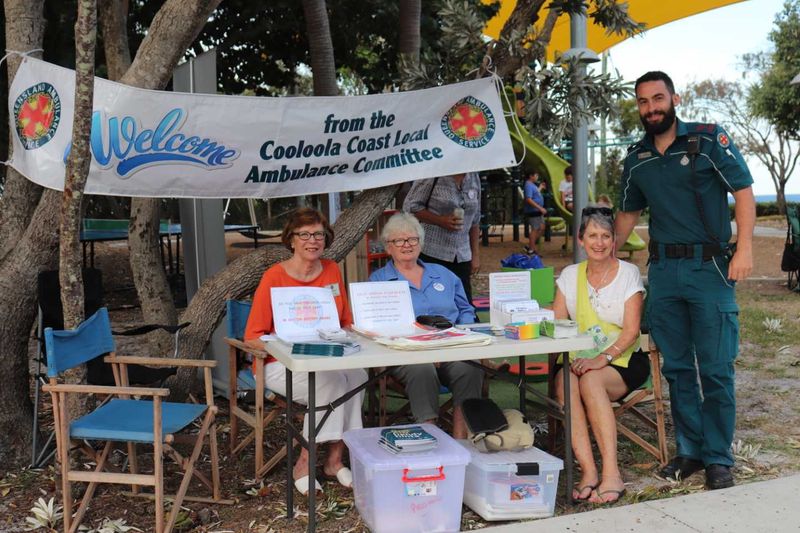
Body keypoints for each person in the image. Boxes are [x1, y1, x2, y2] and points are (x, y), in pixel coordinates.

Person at [615, 71, 755, 490]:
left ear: (674, 98)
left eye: (658, 98)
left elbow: (744, 191)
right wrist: (600, 254)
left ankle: (718, 457)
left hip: (709, 269)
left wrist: (745, 248)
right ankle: (690, 452)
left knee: (715, 369)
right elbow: (626, 216)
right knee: (677, 369)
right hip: (664, 273)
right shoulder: (636, 157)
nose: (651, 108)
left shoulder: (707, 139)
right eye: (643, 102)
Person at [244, 208, 366, 496]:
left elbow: (344, 321)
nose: (313, 240)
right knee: (331, 383)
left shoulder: (332, 270)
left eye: (319, 234)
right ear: (292, 240)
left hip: (327, 356)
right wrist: (289, 346)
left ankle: (335, 461)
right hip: (281, 362)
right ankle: (304, 463)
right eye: (305, 234)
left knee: (359, 375)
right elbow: (252, 336)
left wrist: (354, 334)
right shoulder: (274, 277)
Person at [553, 206, 649, 504]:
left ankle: (611, 473)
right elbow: (556, 324)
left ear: (614, 241)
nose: (599, 242)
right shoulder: (569, 275)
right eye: (592, 235)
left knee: (591, 380)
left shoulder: (628, 274)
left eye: (605, 236)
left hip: (622, 360)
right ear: (580, 240)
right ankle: (589, 471)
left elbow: (631, 331)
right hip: (577, 356)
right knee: (567, 384)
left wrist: (601, 358)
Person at [369, 213, 483, 439]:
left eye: (412, 239)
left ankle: (462, 440)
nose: (406, 245)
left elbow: (466, 310)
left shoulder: (444, 274)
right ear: (388, 247)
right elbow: (375, 325)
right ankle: (430, 436)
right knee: (422, 369)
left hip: (451, 348)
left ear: (420, 243)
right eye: (398, 241)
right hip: (406, 354)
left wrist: (461, 335)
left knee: (469, 367)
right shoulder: (378, 281)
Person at [403, 172, 481, 305]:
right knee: (435, 303)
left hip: (462, 254)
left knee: (464, 303)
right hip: (431, 252)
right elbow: (410, 206)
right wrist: (440, 220)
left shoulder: (473, 177)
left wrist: (475, 255)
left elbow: (475, 219)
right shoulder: (433, 174)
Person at [523, 171, 547, 255]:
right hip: (533, 211)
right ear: (531, 176)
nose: (537, 177)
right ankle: (531, 249)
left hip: (538, 211)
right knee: (535, 229)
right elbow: (528, 199)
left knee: (541, 227)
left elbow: (536, 194)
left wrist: (540, 187)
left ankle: (531, 245)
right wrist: (540, 208)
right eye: (536, 175)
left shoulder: (532, 185)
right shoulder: (528, 185)